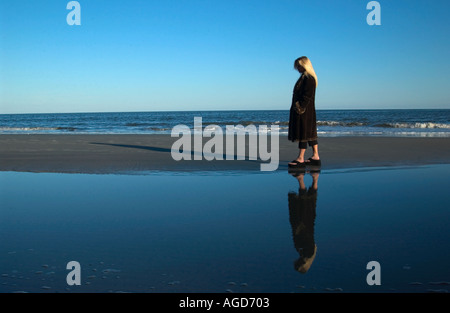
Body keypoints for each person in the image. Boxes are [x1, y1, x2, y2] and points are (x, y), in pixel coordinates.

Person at [288, 56, 321, 168]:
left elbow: (307, 96)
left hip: (304, 111)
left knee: (303, 133)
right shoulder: (306, 77)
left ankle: (300, 158)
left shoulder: (308, 78)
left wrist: (299, 108)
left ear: (304, 65)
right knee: (310, 133)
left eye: (298, 66)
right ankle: (315, 156)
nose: (297, 68)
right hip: (307, 110)